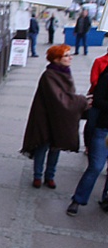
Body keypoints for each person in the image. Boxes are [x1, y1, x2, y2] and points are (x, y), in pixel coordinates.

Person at [20, 44, 90, 189]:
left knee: (56, 147)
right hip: (45, 117)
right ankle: (37, 176)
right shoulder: (48, 75)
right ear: (57, 59)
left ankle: (50, 176)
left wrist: (77, 101)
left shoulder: (66, 73)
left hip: (59, 118)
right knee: (42, 146)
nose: (70, 58)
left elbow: (68, 96)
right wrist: (82, 100)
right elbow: (58, 98)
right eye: (66, 55)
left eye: (70, 55)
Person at [67, 67, 108, 216]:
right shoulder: (107, 76)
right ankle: (77, 200)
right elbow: (97, 100)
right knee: (96, 167)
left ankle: (106, 198)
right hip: (104, 129)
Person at [83, 47, 108, 153]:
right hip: (99, 97)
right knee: (91, 124)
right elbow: (94, 80)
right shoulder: (100, 61)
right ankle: (88, 146)